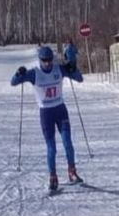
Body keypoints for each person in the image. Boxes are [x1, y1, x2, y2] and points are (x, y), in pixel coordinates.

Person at [11, 45, 84, 193]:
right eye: (44, 60)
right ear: (40, 60)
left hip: (60, 110)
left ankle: (72, 171)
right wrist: (19, 73)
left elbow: (79, 79)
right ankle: (53, 177)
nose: (47, 63)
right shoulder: (34, 73)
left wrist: (73, 68)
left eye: (49, 60)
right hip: (46, 114)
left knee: (67, 143)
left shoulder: (58, 69)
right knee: (52, 148)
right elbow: (13, 82)